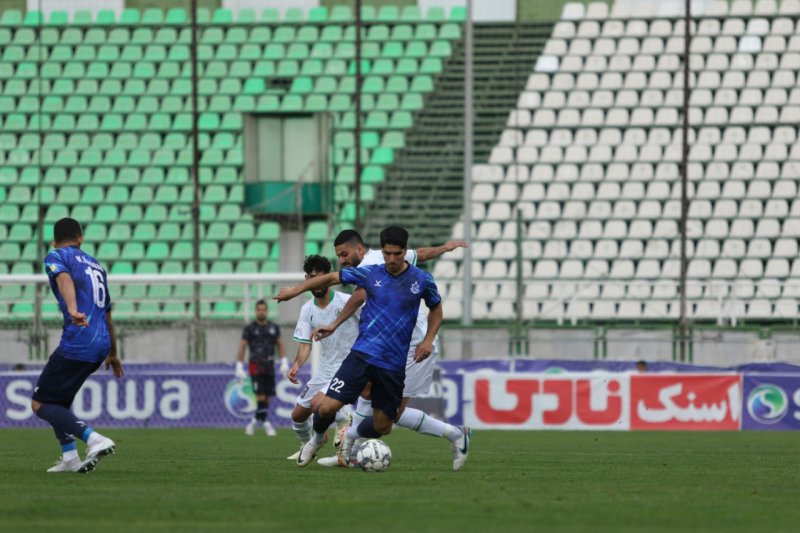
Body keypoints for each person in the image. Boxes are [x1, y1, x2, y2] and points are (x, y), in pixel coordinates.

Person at [274, 226, 444, 467]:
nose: (391, 259)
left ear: (405, 251)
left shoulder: (422, 280)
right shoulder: (370, 274)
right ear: (382, 251)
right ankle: (314, 441)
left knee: (384, 425)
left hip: (393, 365)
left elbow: (436, 309)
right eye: (387, 254)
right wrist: (294, 291)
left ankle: (351, 436)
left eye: (397, 254)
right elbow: (332, 277)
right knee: (325, 407)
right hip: (362, 356)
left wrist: (427, 340)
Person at [314, 229, 472, 471]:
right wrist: (443, 248)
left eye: (344, 255)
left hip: (414, 344)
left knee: (391, 415)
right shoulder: (383, 257)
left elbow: (359, 296)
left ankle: (456, 434)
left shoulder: (379, 261)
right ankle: (349, 452)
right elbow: (419, 253)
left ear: (358, 249)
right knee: (367, 392)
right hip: (386, 346)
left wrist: (444, 248)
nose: (342, 260)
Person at [31, 217, 123, 473]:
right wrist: (114, 353)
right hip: (101, 343)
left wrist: (72, 308)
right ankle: (70, 457)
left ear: (54, 241)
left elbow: (64, 280)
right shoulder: (96, 266)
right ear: (80, 239)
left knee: (40, 404)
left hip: (79, 339)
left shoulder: (57, 256)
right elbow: (107, 314)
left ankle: (95, 439)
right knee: (59, 400)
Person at [285, 255, 359, 460]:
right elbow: (305, 343)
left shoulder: (348, 301)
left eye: (317, 277)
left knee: (320, 404)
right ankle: (307, 445)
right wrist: (297, 365)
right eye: (309, 277)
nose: (313, 282)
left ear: (327, 277)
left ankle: (344, 419)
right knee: (298, 416)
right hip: (325, 369)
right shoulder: (307, 309)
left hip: (347, 366)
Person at [234, 300, 288, 437]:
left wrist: (284, 362)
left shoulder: (273, 328)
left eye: (264, 309)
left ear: (267, 311)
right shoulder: (250, 328)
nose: (261, 312)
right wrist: (239, 365)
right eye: (259, 309)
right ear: (255, 311)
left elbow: (280, 345)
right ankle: (266, 424)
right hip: (255, 365)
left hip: (269, 365)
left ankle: (253, 422)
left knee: (268, 398)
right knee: (260, 396)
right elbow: (242, 346)